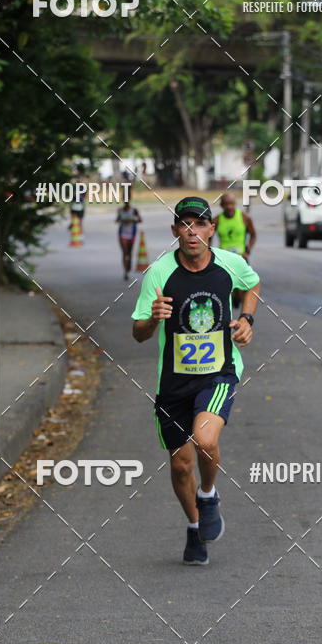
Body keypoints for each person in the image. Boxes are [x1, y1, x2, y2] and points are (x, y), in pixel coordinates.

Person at [132, 196, 260, 566]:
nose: (192, 232)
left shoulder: (229, 264)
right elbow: (138, 334)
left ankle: (208, 494)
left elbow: (252, 285)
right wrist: (154, 318)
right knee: (179, 465)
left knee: (205, 440)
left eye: (200, 224)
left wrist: (247, 320)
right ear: (175, 231)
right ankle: (193, 526)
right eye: (185, 225)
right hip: (173, 384)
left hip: (218, 374)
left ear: (211, 229)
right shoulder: (158, 274)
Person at [214, 192, 257, 308]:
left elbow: (253, 235)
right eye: (226, 204)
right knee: (225, 287)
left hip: (241, 257)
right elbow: (207, 237)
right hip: (223, 259)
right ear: (222, 206)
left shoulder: (244, 218)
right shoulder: (217, 220)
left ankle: (242, 310)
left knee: (243, 288)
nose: (229, 207)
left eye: (231, 204)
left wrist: (247, 251)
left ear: (235, 204)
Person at [116, 199, 142, 280]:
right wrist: (121, 220)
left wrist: (133, 220)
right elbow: (117, 220)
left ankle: (128, 266)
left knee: (129, 252)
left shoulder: (134, 210)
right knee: (125, 252)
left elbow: (140, 220)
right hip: (122, 234)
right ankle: (125, 271)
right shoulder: (120, 210)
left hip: (131, 234)